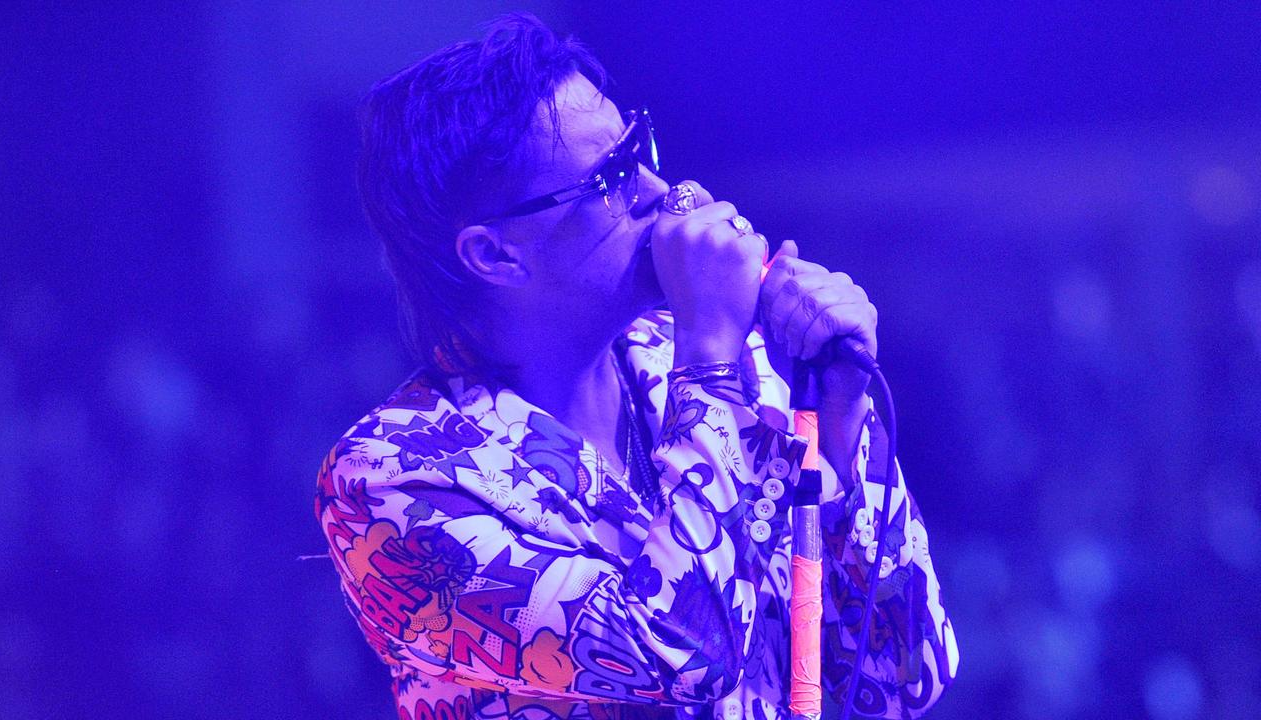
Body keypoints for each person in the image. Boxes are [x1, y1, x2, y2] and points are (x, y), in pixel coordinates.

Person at [315, 13, 958, 720]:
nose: (658, 190)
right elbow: (680, 658)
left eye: (638, 148)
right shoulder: (392, 480)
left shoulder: (737, 368)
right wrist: (708, 358)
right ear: (495, 255)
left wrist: (839, 427)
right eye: (609, 178)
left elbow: (902, 678)